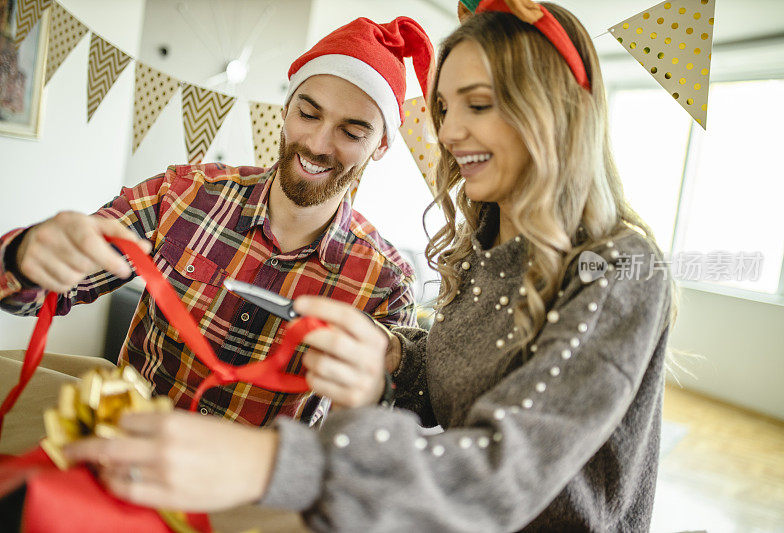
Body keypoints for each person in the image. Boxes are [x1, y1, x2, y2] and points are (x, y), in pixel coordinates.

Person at [64, 1, 678, 530]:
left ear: (553, 112)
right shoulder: (481, 251)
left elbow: (501, 470)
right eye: (443, 109)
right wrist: (391, 356)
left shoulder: (619, 270)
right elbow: (442, 395)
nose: (451, 131)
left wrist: (269, 461)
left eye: (480, 104)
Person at [0, 16, 434, 427]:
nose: (319, 144)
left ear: (379, 147)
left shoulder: (385, 283)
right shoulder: (182, 194)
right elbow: (41, 292)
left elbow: (374, 438)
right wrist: (26, 258)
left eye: (352, 132)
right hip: (122, 452)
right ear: (285, 111)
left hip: (249, 499)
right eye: (308, 113)